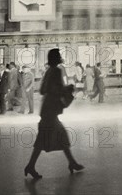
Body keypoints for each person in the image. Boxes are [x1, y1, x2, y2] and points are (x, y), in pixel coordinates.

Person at [24, 48, 84, 180]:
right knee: (47, 139)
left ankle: (71, 162)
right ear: (56, 57)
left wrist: (59, 90)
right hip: (51, 111)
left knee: (56, 137)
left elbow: (42, 90)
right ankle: (31, 166)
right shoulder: (56, 70)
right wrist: (68, 88)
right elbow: (56, 89)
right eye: (59, 55)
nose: (60, 57)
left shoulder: (48, 71)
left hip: (47, 110)